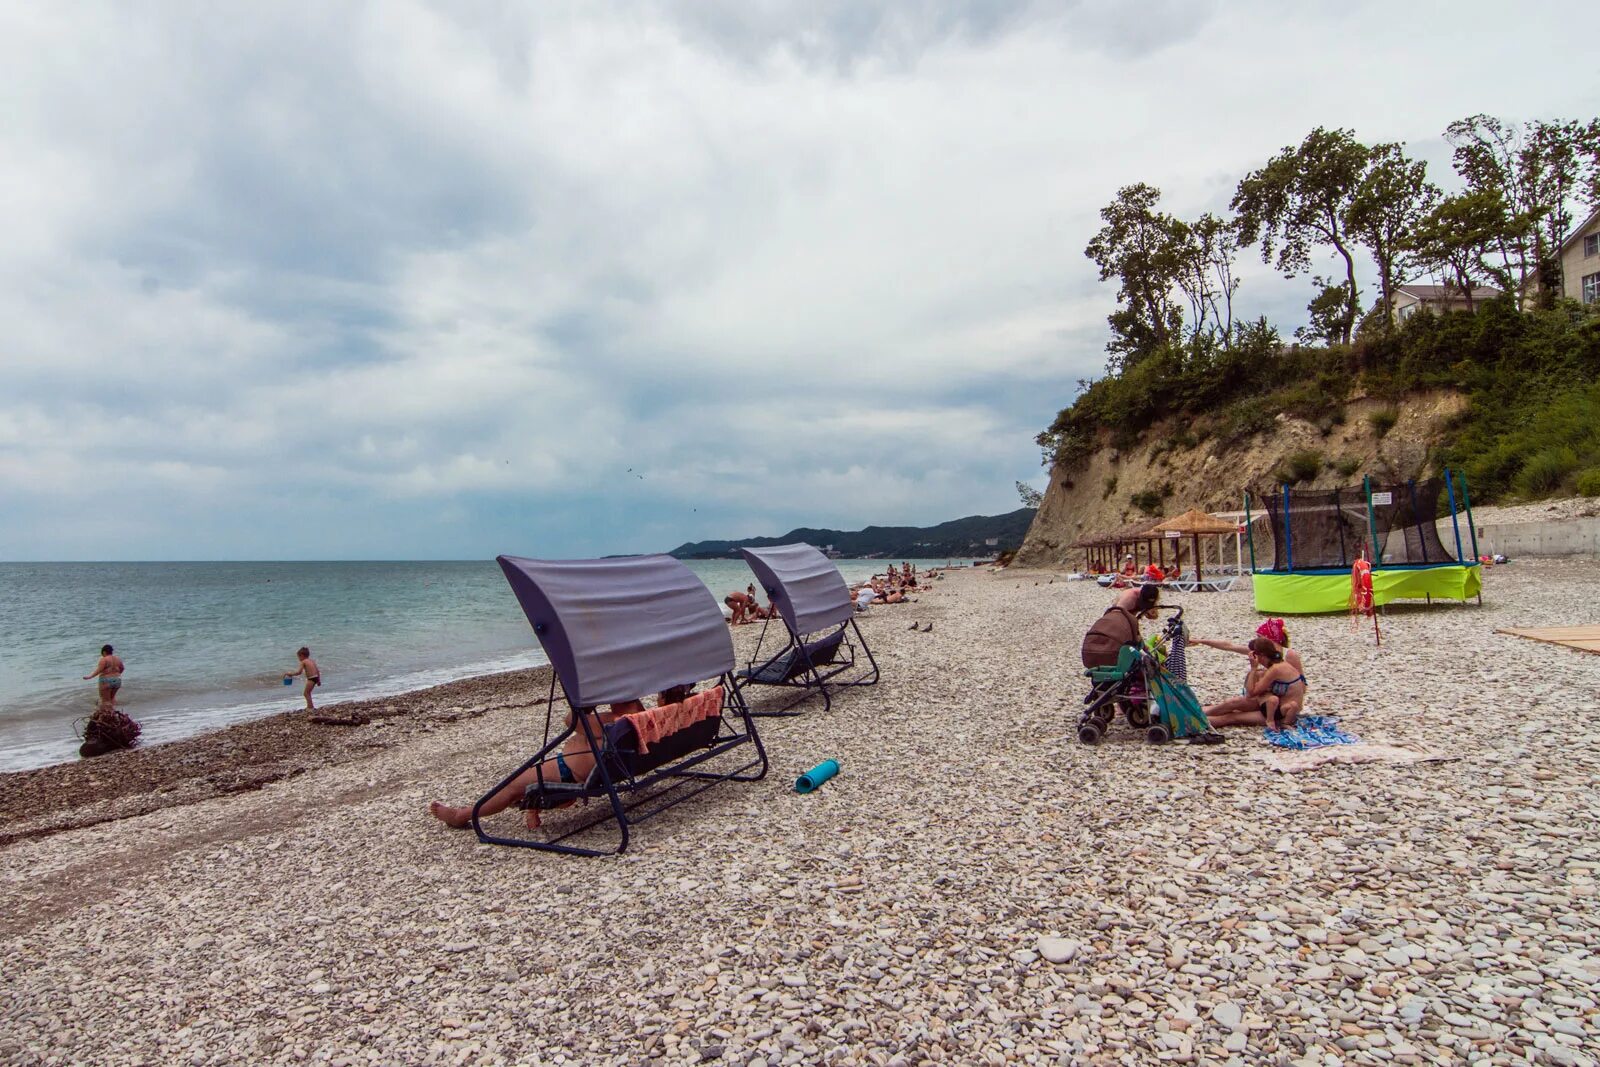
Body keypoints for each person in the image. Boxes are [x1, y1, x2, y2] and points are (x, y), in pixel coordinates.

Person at [429, 688, 692, 831]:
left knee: (510, 788)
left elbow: (570, 722)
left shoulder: (616, 722)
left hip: (568, 772)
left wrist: (586, 701)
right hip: (599, 769)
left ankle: (462, 815)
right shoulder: (645, 718)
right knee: (530, 779)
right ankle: (533, 807)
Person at [1201, 637, 1308, 728]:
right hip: (1273, 705)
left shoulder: (1276, 670)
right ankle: (1197, 713)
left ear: (1260, 655)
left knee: (1231, 717)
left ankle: (1195, 722)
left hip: (1280, 713)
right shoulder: (1278, 664)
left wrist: (1253, 668)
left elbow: (1251, 693)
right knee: (1234, 702)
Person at [1081, 584, 1160, 667]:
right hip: (1119, 617)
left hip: (1130, 617)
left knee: (1136, 637)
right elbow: (1117, 614)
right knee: (1128, 636)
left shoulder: (1150, 595)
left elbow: (1153, 615)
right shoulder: (1129, 598)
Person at [83, 644, 125, 715]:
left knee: (105, 701)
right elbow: (122, 668)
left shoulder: (104, 659)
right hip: (118, 680)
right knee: (112, 699)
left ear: (104, 652)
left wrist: (90, 676)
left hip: (106, 680)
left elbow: (99, 670)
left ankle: (108, 715)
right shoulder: (118, 659)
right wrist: (116, 674)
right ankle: (112, 713)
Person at [286, 646, 321, 711]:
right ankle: (310, 706)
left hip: (311, 678)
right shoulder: (311, 661)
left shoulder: (303, 662)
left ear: (302, 655)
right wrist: (318, 680)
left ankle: (310, 707)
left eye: (298, 657)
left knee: (306, 693)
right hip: (315, 677)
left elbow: (299, 672)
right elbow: (317, 671)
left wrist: (291, 674)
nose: (299, 659)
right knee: (308, 692)